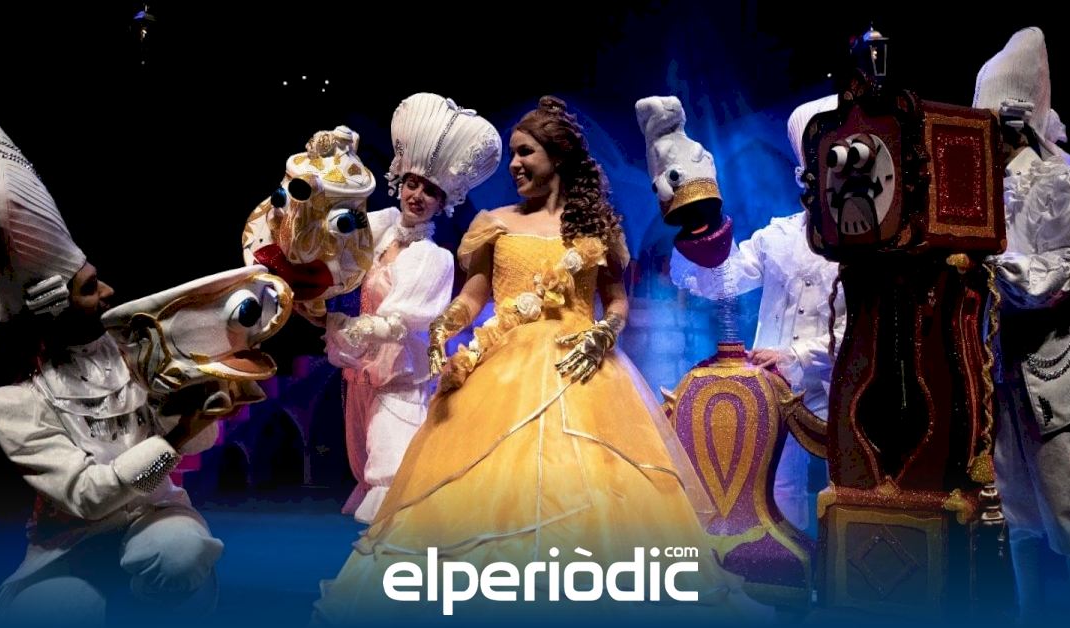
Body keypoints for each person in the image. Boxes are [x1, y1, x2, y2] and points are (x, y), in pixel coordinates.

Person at [312, 96, 758, 623]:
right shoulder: (494, 223)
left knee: (601, 490)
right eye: (514, 155)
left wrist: (605, 332)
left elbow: (616, 300)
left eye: (526, 152)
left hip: (583, 367)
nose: (516, 165)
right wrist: (444, 327)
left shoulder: (597, 227)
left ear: (558, 156)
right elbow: (474, 296)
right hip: (502, 370)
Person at [0, 119, 223, 627]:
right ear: (54, 309)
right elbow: (85, 495)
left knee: (180, 555)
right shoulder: (15, 400)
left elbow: (201, 441)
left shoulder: (133, 345)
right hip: (70, 538)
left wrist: (199, 406)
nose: (107, 293)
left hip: (155, 514)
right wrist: (176, 436)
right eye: (89, 288)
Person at [974, 27, 1070, 622]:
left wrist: (992, 266)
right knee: (1018, 514)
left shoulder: (1069, 180)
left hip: (1059, 372)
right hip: (1002, 373)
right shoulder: (980, 185)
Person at [665, 94, 846, 536]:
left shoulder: (865, 242)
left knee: (846, 491)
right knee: (777, 488)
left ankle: (839, 575)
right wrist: (698, 224)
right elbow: (720, 280)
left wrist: (797, 357)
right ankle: (789, 574)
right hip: (774, 389)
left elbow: (864, 328)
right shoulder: (778, 235)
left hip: (841, 386)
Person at [324, 93, 500, 523]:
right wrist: (338, 157)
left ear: (444, 202)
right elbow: (337, 233)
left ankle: (394, 556)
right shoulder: (380, 230)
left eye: (431, 191)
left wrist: (350, 329)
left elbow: (400, 323)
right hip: (362, 375)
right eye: (413, 184)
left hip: (400, 377)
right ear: (400, 182)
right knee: (369, 472)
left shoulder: (433, 257)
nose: (418, 195)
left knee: (393, 477)